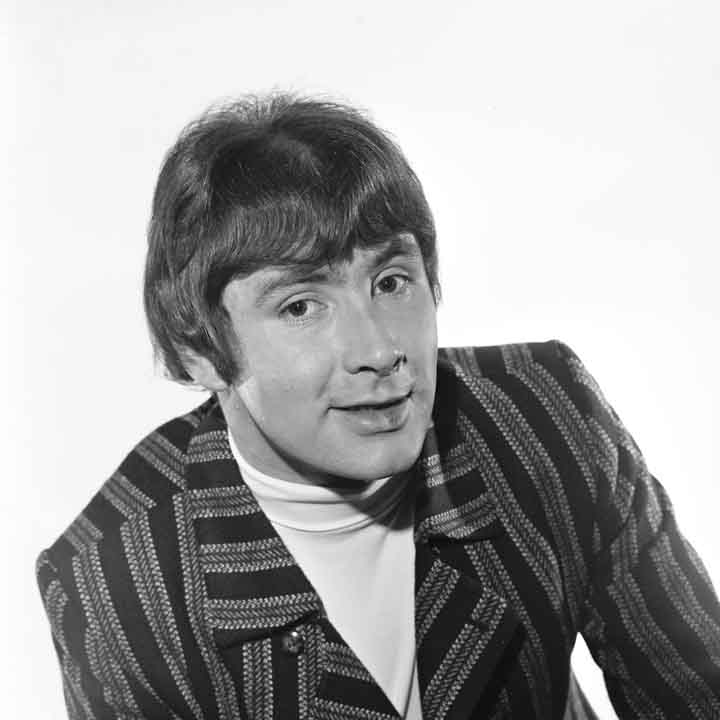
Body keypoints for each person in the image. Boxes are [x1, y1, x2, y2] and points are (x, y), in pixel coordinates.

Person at [37, 93, 720, 720]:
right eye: (301, 306)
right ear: (200, 352)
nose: (378, 350)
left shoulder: (545, 415)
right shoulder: (116, 585)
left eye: (391, 282)